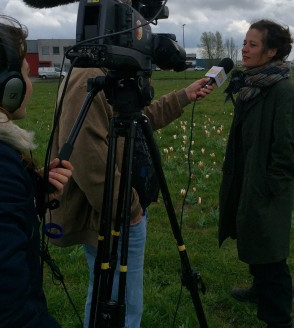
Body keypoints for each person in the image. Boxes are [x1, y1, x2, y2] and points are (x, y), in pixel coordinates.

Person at [47, 66, 214, 327]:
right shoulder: (88, 76)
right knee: (121, 302)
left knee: (112, 294)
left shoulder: (107, 72)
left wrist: (183, 96)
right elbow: (87, 156)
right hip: (117, 214)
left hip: (122, 207)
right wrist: (129, 209)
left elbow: (136, 119)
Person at [0, 15, 73, 327]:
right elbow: (2, 311)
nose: (30, 86)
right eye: (26, 75)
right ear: (7, 86)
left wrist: (30, 190)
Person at [218, 19, 294, 328]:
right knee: (252, 235)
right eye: (244, 42)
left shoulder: (283, 93)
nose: (244, 49)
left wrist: (268, 189)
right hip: (247, 177)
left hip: (265, 187)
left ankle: (278, 319)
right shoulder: (252, 85)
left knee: (271, 251)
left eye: (252, 44)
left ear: (271, 51)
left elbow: (287, 152)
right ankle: (257, 289)